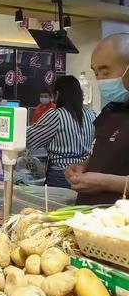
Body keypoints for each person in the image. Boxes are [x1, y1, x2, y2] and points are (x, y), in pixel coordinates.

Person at [66, 33, 129, 204]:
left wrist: (104, 183)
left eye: (105, 71)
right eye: (96, 73)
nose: (100, 80)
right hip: (88, 219)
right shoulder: (111, 111)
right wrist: (85, 166)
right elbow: (113, 158)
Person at [26, 76, 96, 188]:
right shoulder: (91, 114)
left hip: (61, 174)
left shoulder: (56, 115)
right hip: (83, 173)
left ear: (58, 94)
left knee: (57, 205)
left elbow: (29, 138)